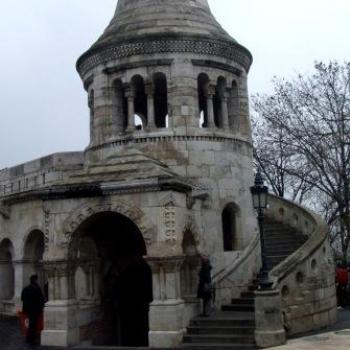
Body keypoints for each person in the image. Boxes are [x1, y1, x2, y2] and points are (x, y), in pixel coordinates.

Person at [21, 275, 45, 346]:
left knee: (31, 324)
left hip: (27, 309)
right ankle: (31, 339)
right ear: (35, 280)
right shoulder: (37, 288)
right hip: (35, 309)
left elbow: (22, 298)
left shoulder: (25, 288)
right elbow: (41, 299)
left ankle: (29, 339)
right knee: (33, 325)